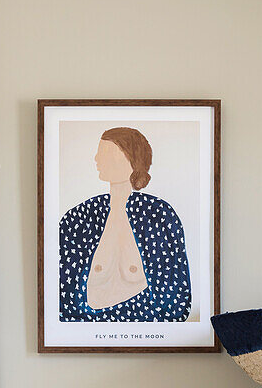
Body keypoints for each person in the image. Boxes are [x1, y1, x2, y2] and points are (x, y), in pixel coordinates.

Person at [59, 127, 192, 321]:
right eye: (99, 151)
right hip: (84, 327)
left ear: (133, 158)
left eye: (108, 152)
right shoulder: (78, 218)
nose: (97, 158)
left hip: (148, 326)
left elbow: (176, 299)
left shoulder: (159, 216)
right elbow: (60, 291)